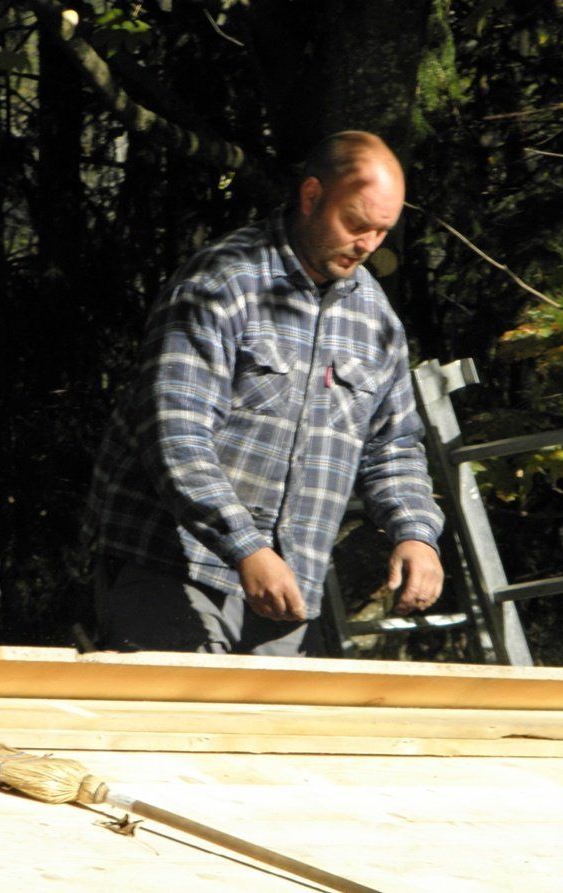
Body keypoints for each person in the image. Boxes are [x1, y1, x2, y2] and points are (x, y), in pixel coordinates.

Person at [84, 131, 444, 656]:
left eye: (382, 231)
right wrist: (246, 547)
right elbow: (174, 433)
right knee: (174, 712)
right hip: (168, 566)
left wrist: (415, 533)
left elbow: (394, 446)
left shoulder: (376, 320)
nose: (368, 244)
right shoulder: (222, 282)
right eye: (356, 224)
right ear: (312, 196)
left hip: (288, 591)